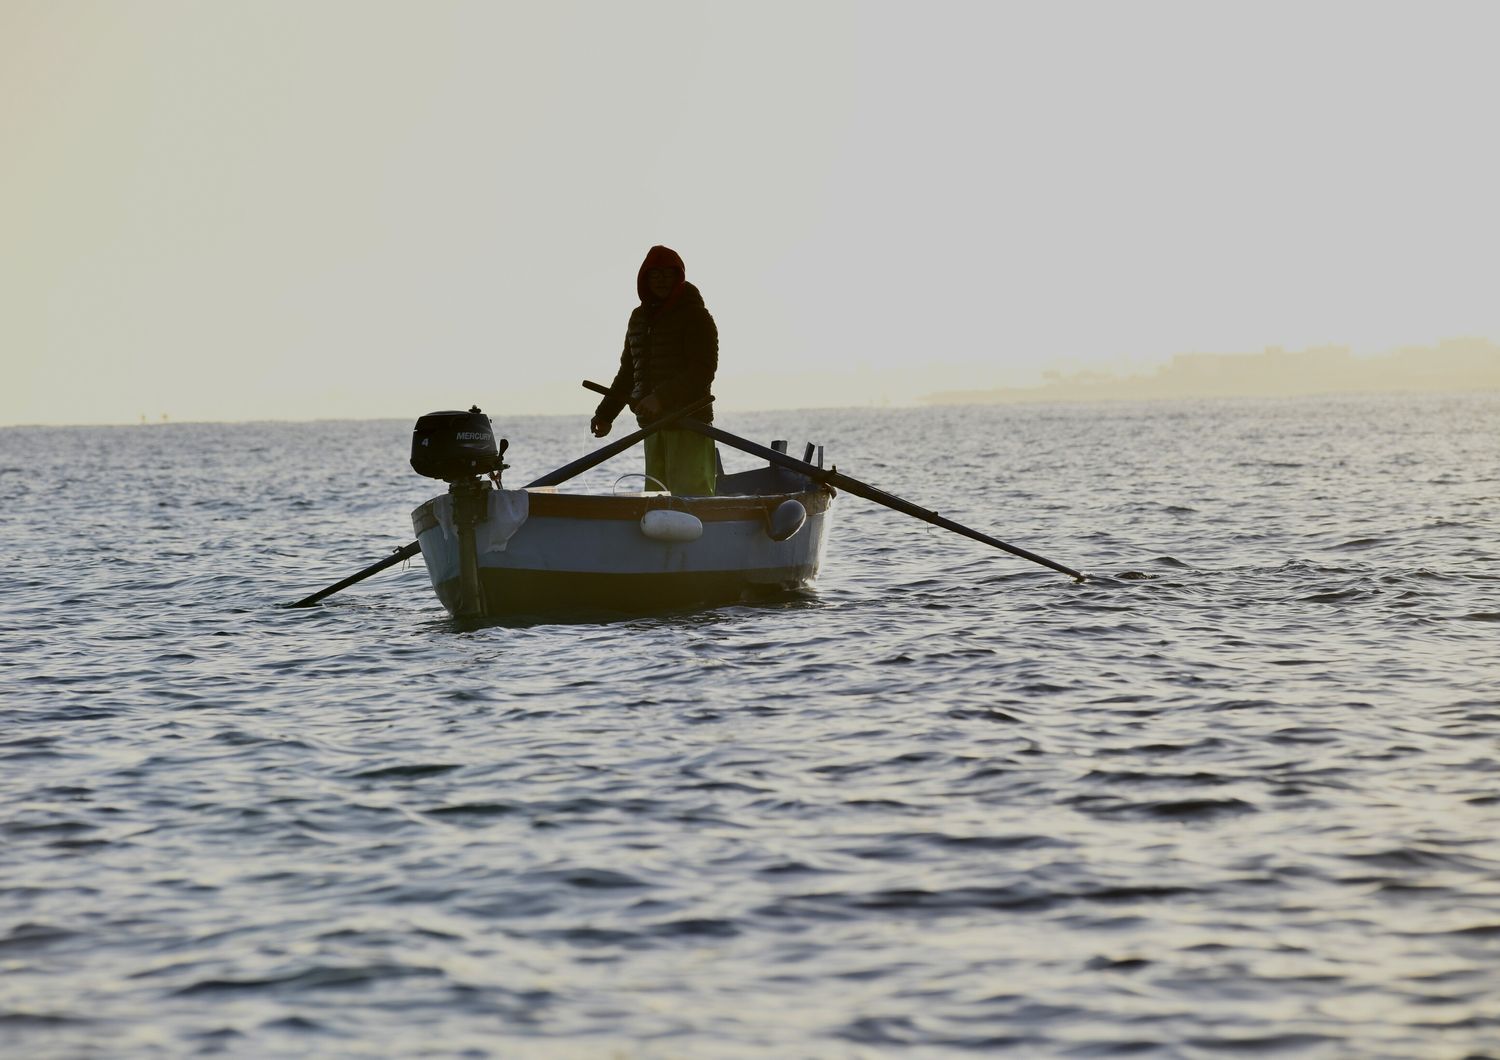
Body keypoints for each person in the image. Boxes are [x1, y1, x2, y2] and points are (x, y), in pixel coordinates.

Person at [590, 245, 718, 495]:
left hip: (690, 425)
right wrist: (606, 414)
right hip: (653, 426)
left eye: (667, 274)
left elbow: (703, 370)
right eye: (654, 274)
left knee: (692, 500)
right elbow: (628, 372)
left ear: (678, 277)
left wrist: (660, 397)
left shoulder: (697, 316)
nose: (661, 280)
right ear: (644, 279)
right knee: (656, 498)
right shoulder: (638, 319)